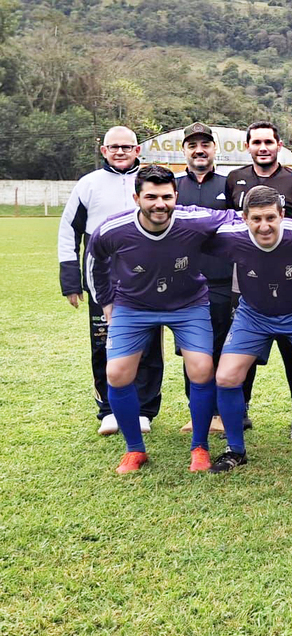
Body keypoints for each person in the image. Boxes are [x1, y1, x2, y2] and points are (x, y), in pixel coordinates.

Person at [86, 165, 237, 473]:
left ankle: (200, 447)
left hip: (188, 304)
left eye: (166, 197)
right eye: (151, 197)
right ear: (136, 197)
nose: (159, 204)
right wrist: (107, 302)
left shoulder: (193, 219)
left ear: (175, 196)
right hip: (133, 305)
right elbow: (94, 262)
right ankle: (134, 450)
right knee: (116, 374)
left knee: (202, 368)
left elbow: (238, 219)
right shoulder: (113, 229)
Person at [205, 186, 292, 474]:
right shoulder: (232, 237)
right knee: (226, 376)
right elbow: (194, 234)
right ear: (244, 218)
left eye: (270, 217)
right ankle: (235, 449)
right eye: (256, 219)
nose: (264, 226)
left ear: (282, 214)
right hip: (254, 313)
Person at [57, 126, 163, 436]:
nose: (120, 151)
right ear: (104, 151)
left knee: (148, 345)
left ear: (137, 150)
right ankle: (108, 410)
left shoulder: (150, 181)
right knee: (104, 344)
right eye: (113, 147)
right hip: (102, 280)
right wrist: (71, 280)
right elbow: (69, 231)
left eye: (126, 147)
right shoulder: (88, 184)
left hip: (146, 280)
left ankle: (144, 410)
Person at [226, 121, 292, 440]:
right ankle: (241, 413)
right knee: (245, 351)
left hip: (291, 280)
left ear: (279, 145)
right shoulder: (234, 179)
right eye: (257, 142)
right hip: (248, 279)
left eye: (269, 141)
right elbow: (230, 228)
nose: (263, 147)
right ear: (248, 146)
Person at [175, 122, 231, 434]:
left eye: (205, 144)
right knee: (192, 349)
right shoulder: (173, 188)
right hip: (185, 282)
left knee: (224, 348)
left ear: (213, 149)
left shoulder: (230, 184)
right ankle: (197, 411)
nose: (199, 150)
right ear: (183, 150)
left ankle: (226, 412)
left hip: (223, 280)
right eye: (193, 145)